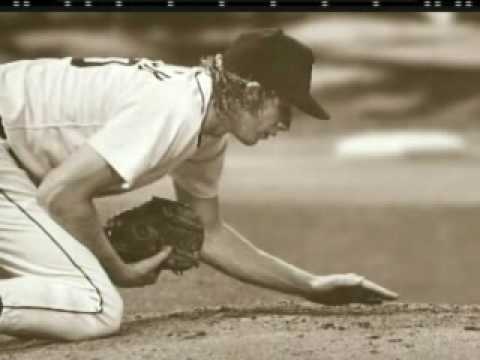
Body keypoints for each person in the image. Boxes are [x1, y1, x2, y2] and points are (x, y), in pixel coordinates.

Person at [0, 28, 397, 341]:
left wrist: (309, 285)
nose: (285, 124)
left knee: (54, 285)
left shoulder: (205, 128)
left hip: (10, 151)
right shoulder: (177, 110)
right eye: (285, 108)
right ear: (254, 93)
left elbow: (208, 231)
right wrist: (115, 268)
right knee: (94, 303)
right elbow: (61, 196)